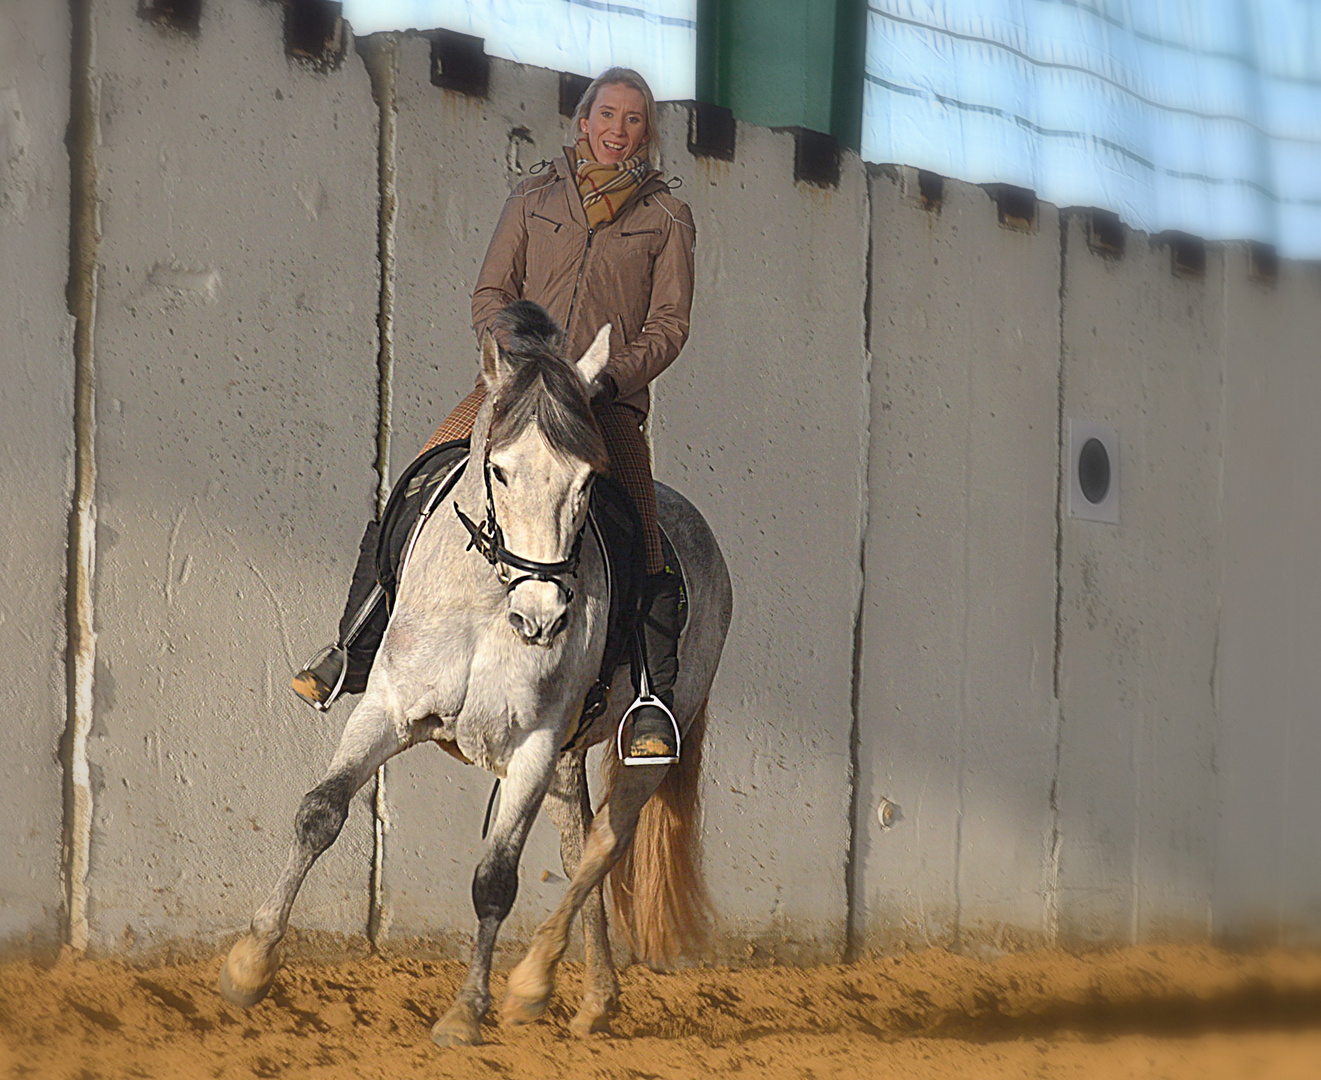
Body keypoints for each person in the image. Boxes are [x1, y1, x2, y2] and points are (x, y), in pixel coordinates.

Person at [292, 67, 696, 765]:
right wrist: (520, 360)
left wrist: (609, 378)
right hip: (513, 391)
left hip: (603, 404)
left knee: (643, 530)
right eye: (607, 115)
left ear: (646, 132)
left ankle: (652, 697)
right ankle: (353, 644)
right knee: (416, 487)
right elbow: (491, 292)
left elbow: (669, 324)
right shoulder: (534, 196)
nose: (617, 130)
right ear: (582, 122)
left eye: (633, 119)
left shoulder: (665, 218)